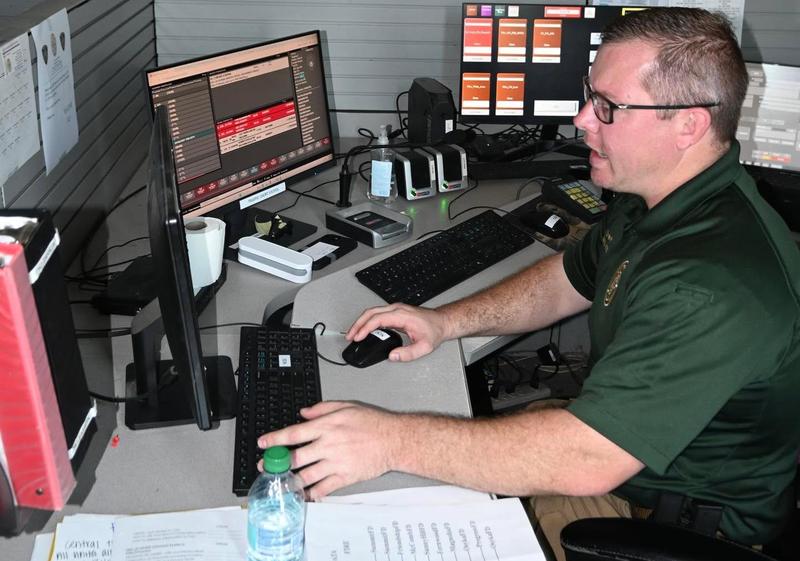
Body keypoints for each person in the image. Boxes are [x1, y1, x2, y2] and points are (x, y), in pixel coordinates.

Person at [261, 8, 800, 559]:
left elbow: (589, 458)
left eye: (609, 107)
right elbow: (567, 279)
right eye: (590, 96)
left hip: (670, 524)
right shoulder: (663, 199)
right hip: (625, 462)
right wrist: (445, 322)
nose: (583, 120)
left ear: (689, 124)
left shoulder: (709, 280)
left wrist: (388, 440)